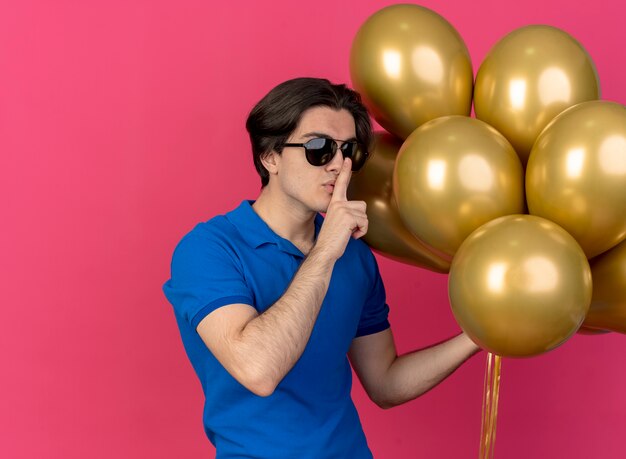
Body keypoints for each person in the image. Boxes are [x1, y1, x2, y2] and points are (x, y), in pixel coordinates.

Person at [163, 77, 480, 458]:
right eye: (319, 148)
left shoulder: (355, 257)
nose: (338, 167)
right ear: (270, 156)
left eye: (350, 152)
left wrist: (477, 336)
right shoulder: (209, 249)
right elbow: (258, 369)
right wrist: (326, 250)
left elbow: (385, 382)